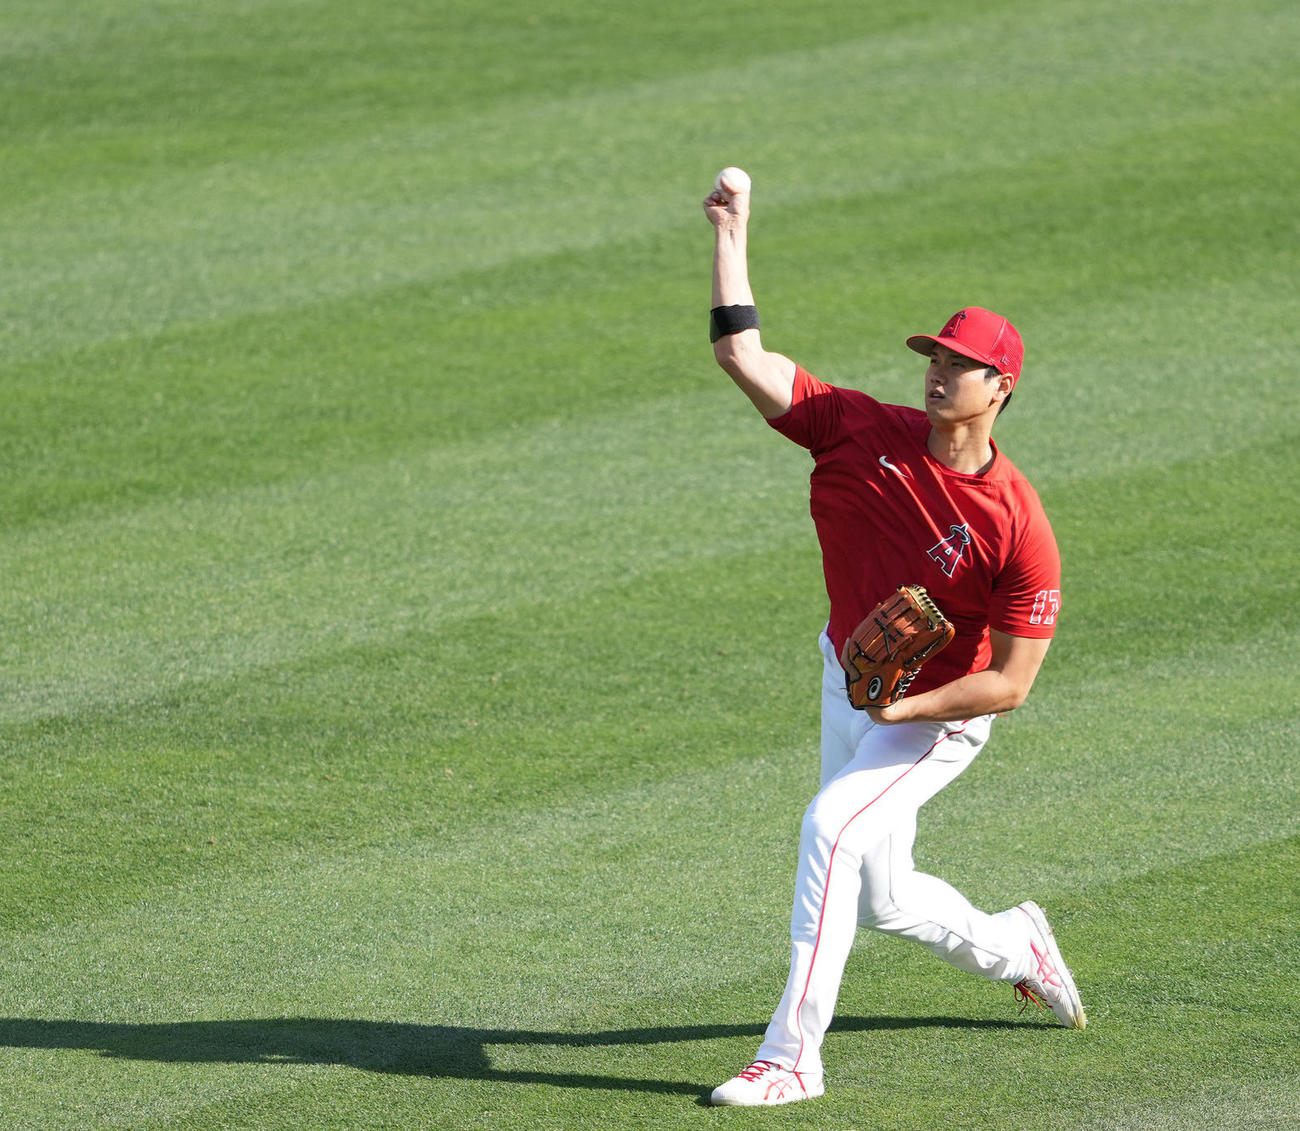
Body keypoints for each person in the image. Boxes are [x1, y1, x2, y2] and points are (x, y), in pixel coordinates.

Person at [701, 173, 1086, 1108]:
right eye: (933, 355)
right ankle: (1017, 945)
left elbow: (1011, 682)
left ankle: (793, 1057)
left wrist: (903, 707)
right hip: (850, 679)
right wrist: (730, 233)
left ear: (1001, 386)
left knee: (830, 828)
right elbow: (745, 358)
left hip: (938, 714)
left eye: (957, 361)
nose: (936, 369)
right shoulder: (861, 431)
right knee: (882, 893)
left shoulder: (1018, 525)